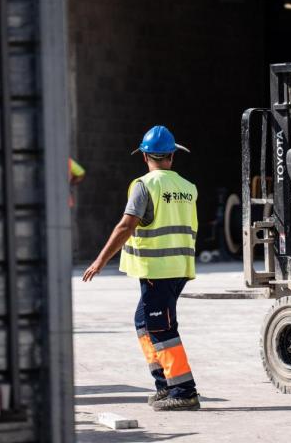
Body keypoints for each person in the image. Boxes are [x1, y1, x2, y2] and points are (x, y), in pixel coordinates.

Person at [81, 125, 201, 411]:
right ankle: (165, 384)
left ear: (145, 156)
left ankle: (184, 390)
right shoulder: (188, 187)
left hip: (156, 270)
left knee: (161, 328)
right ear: (172, 154)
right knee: (143, 322)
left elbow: (126, 225)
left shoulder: (145, 186)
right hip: (179, 267)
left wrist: (101, 260)